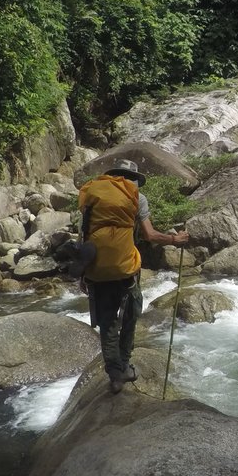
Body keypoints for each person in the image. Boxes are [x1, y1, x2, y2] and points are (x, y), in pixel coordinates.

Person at [78, 159, 189, 394]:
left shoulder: (93, 196)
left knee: (107, 323)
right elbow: (149, 235)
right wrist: (173, 240)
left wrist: (82, 272)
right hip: (126, 269)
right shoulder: (136, 197)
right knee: (130, 315)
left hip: (96, 268)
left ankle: (115, 376)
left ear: (113, 175)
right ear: (134, 178)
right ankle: (125, 365)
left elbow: (84, 234)